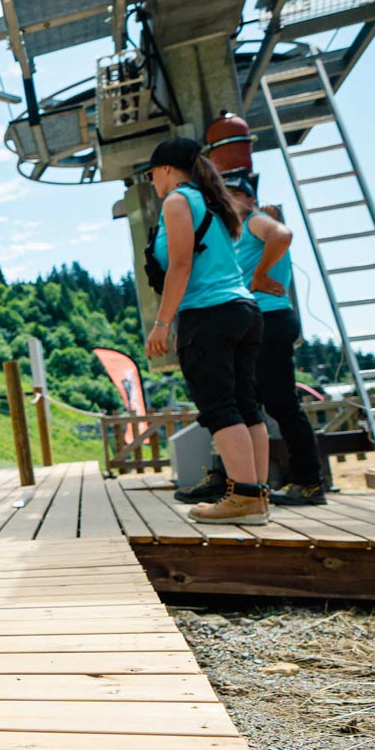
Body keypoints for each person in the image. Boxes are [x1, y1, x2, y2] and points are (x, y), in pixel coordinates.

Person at [142, 136, 272, 525]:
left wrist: (162, 324)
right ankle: (257, 495)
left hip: (210, 313)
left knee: (219, 407)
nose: (152, 182)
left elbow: (180, 265)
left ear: (166, 169)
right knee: (247, 406)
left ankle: (244, 498)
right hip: (243, 310)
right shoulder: (213, 203)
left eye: (151, 174)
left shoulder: (178, 201)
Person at [227, 171, 329, 506]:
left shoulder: (256, 220)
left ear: (249, 199)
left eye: (234, 193)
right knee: (253, 403)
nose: (226, 198)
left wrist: (259, 275)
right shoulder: (239, 233)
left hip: (270, 317)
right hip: (256, 321)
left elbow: (283, 235)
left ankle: (310, 482)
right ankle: (254, 482)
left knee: (281, 403)